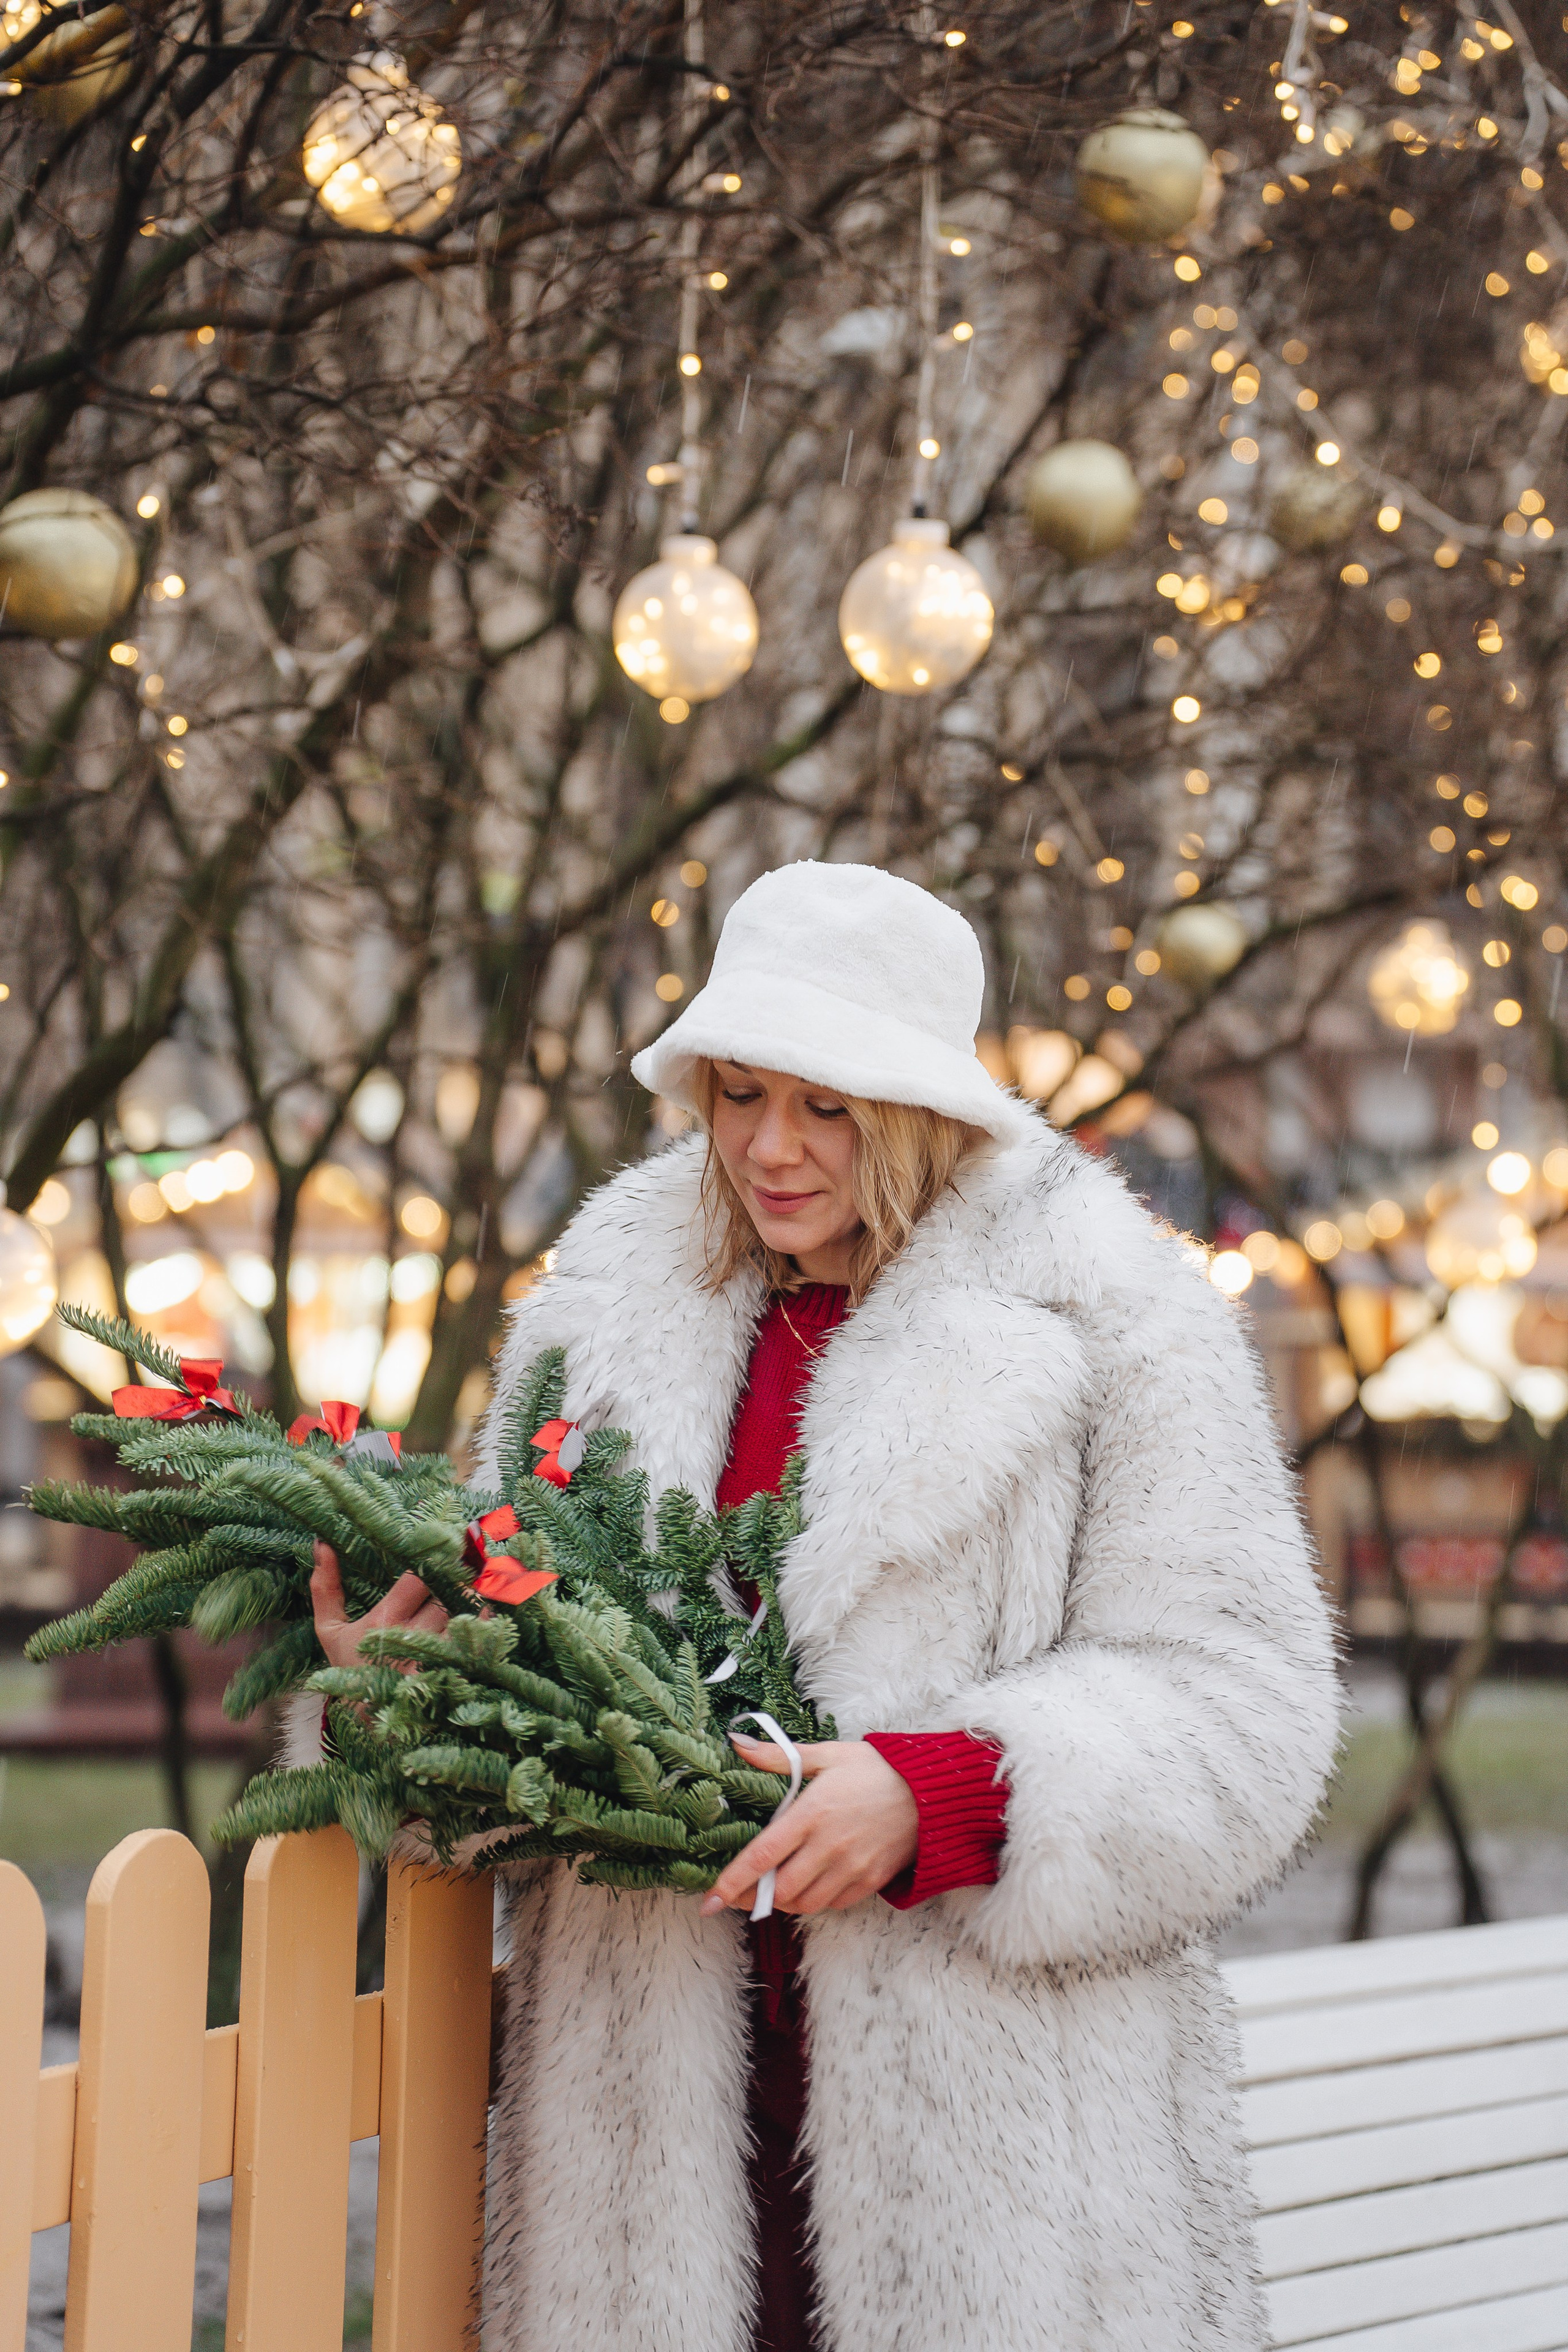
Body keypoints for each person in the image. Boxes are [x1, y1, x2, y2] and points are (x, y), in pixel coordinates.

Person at [309, 858, 1340, 2352]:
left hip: (1003, 2167)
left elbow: (1243, 1702)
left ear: (921, 1106)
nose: (767, 1150)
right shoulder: (603, 1305)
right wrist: (417, 1695)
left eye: (825, 1106)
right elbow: (521, 1694)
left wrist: (949, 1792)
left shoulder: (1108, 1305)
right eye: (735, 1096)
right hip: (648, 2147)